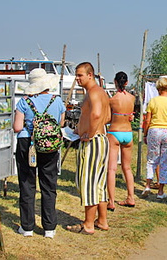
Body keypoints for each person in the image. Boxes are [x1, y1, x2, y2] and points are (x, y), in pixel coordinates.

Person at [13, 68, 66, 238]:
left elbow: (17, 127)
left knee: (27, 184)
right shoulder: (57, 101)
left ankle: (27, 227)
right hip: (50, 144)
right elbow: (61, 123)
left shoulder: (24, 102)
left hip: (27, 143)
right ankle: (49, 228)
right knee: (49, 185)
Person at [66, 62, 111, 235]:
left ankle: (88, 224)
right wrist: (80, 129)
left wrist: (89, 133)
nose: (77, 78)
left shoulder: (93, 92)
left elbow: (98, 114)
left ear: (90, 75)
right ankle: (102, 220)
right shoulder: (99, 92)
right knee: (99, 182)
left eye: (80, 75)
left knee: (89, 183)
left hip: (93, 142)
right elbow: (107, 116)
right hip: (99, 139)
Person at [142, 76, 167, 199]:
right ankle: (160, 191)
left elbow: (147, 120)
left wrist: (145, 133)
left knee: (152, 159)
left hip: (154, 130)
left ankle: (148, 185)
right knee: (166, 161)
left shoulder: (153, 101)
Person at [106, 71, 136, 211]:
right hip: (128, 133)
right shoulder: (132, 98)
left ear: (115, 82)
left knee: (112, 168)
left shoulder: (111, 100)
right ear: (127, 82)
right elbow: (131, 115)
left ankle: (111, 201)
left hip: (115, 132)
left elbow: (107, 118)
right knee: (127, 168)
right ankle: (131, 197)